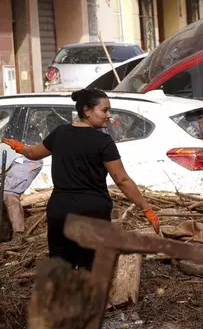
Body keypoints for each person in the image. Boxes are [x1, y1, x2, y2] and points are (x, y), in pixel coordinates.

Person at [2, 89, 160, 270]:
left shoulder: (59, 133)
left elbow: (33, 153)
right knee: (89, 268)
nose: (109, 115)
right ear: (87, 111)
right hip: (92, 214)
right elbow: (121, 179)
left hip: (60, 212)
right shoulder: (103, 142)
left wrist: (19, 147)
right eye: (105, 110)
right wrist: (146, 208)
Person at [1, 150, 43, 242]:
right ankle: (7, 231)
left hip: (27, 158)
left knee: (9, 194)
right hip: (16, 158)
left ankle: (18, 233)